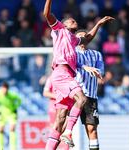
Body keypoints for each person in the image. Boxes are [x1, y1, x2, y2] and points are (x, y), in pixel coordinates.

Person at [43, 0, 114, 148]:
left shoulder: (74, 40)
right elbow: (47, 14)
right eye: (72, 21)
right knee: (81, 99)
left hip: (66, 75)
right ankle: (68, 132)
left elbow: (88, 38)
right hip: (61, 73)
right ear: (65, 24)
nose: (76, 22)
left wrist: (99, 24)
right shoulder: (59, 30)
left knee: (60, 119)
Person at [73, 30, 104, 150]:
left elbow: (101, 69)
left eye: (85, 36)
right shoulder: (73, 53)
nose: (82, 39)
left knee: (92, 130)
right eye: (79, 37)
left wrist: (98, 73)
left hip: (91, 96)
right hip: (75, 95)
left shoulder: (96, 54)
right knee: (64, 127)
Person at [0, 82, 21, 150]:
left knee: (12, 129)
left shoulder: (12, 95)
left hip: (11, 114)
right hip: (2, 114)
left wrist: (15, 108)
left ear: (7, 89)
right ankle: (0, 148)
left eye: (6, 90)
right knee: (0, 130)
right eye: (3, 90)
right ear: (1, 88)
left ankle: (13, 148)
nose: (4, 92)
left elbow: (19, 100)